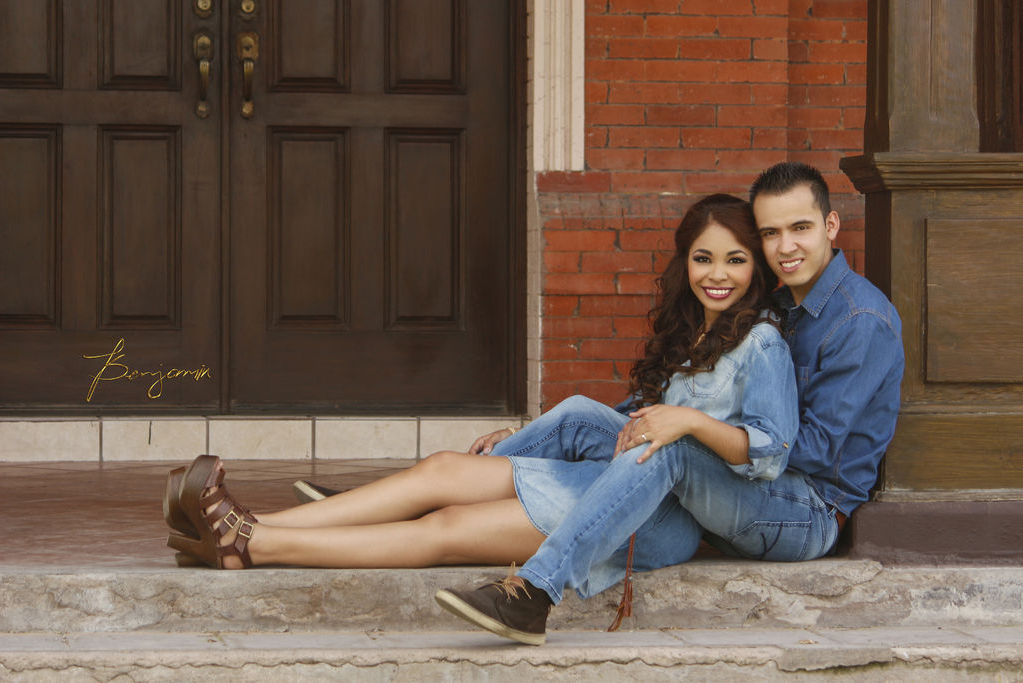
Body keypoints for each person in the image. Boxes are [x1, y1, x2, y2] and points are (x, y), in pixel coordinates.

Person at [162, 195, 798, 621]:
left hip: (655, 519)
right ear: (685, 262)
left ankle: (255, 545)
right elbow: (636, 417)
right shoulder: (692, 332)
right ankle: (251, 524)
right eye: (704, 258)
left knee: (446, 529)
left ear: (756, 269)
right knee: (445, 469)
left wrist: (689, 421)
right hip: (620, 479)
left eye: (736, 260)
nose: (718, 274)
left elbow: (767, 450)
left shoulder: (762, 342)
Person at [435, 161, 904, 645]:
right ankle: (463, 484)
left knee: (672, 447)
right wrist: (661, 420)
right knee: (580, 414)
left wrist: (696, 426)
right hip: (737, 484)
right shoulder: (782, 305)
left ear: (830, 225)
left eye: (800, 228)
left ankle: (535, 594)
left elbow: (812, 452)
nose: (785, 247)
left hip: (804, 511)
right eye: (771, 233)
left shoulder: (859, 320)